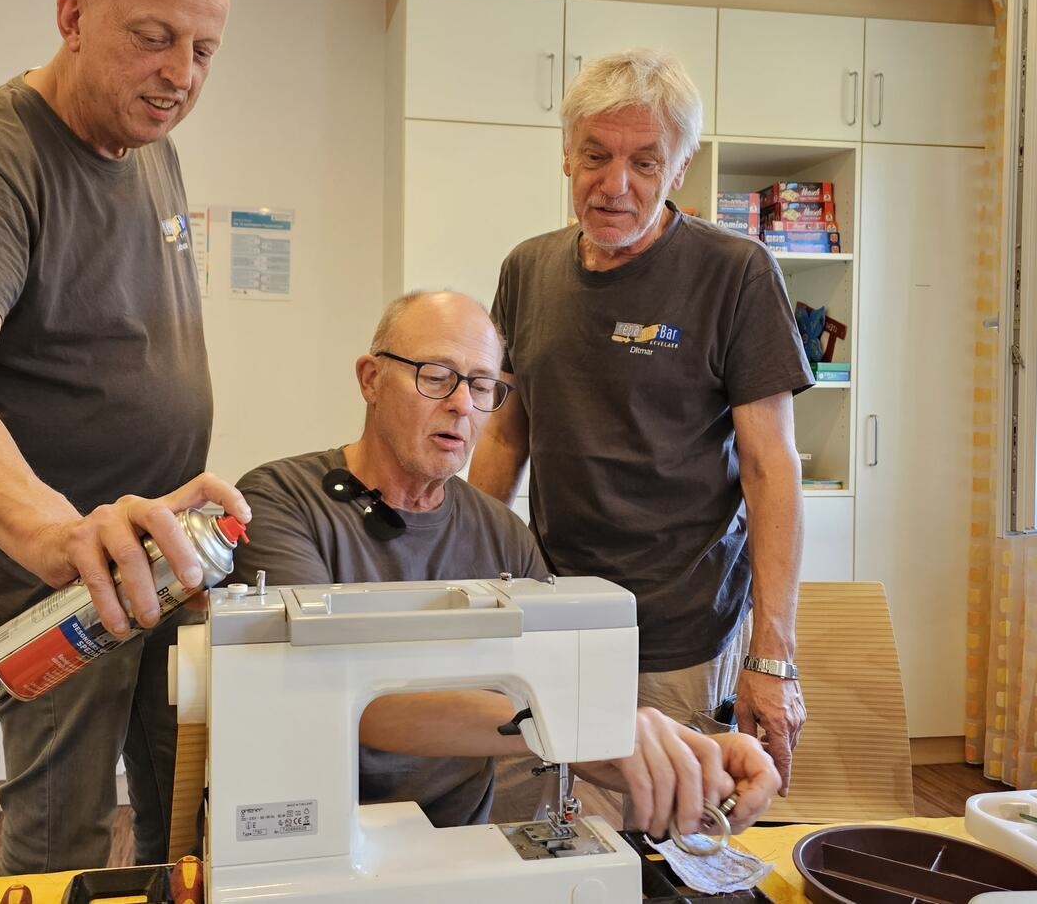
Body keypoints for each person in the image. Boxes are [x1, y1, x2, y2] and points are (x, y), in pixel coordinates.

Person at [0, 0, 250, 875]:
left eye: (204, 49)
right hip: (60, 588)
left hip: (165, 566)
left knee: (188, 821)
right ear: (73, 16)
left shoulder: (153, 150)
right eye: (154, 37)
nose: (181, 73)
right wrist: (60, 534)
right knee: (66, 850)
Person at [233, 290, 781, 838]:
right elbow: (343, 695)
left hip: (453, 840)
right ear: (371, 379)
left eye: (480, 385)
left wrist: (698, 758)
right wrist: (578, 720)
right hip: (307, 830)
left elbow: (565, 726)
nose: (462, 405)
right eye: (435, 375)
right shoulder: (280, 501)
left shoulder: (500, 535)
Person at [468, 48, 814, 797]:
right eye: (595, 154)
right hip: (552, 618)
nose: (614, 184)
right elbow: (503, 433)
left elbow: (770, 469)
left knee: (661, 836)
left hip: (678, 639)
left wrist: (771, 656)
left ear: (680, 168)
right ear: (567, 155)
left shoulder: (738, 271)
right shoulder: (527, 268)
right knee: (541, 825)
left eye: (644, 162)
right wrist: (469, 585)